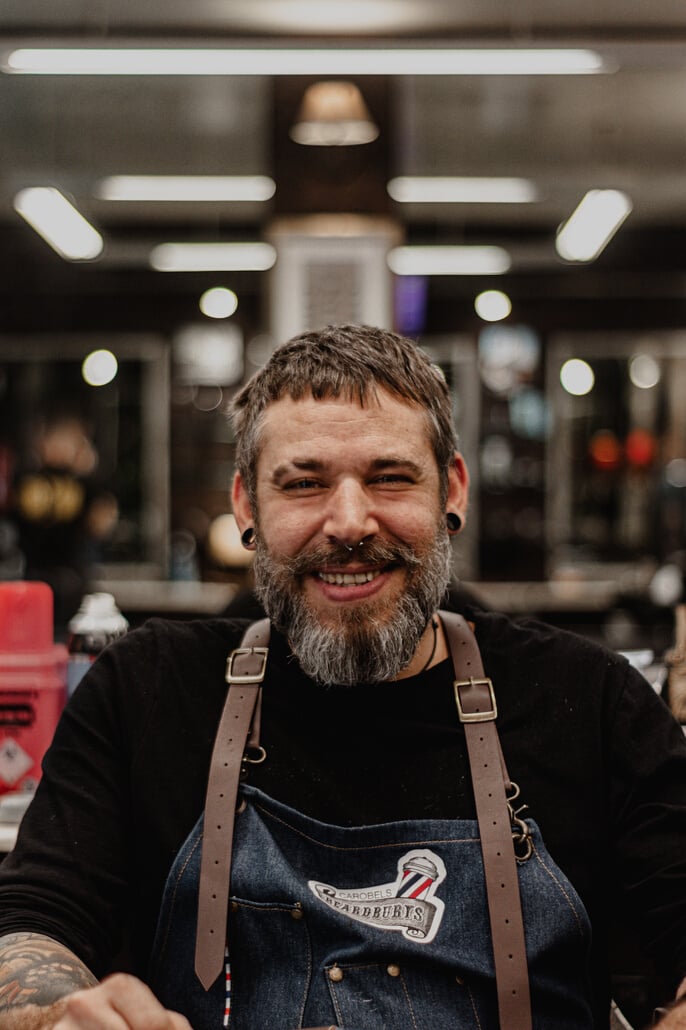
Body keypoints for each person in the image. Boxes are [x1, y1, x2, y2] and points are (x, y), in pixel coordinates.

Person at [0, 323, 685, 1030]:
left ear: (451, 490)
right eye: (305, 483)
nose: (350, 522)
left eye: (390, 477)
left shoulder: (591, 701)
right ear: (247, 507)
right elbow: (28, 926)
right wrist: (54, 1014)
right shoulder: (144, 691)